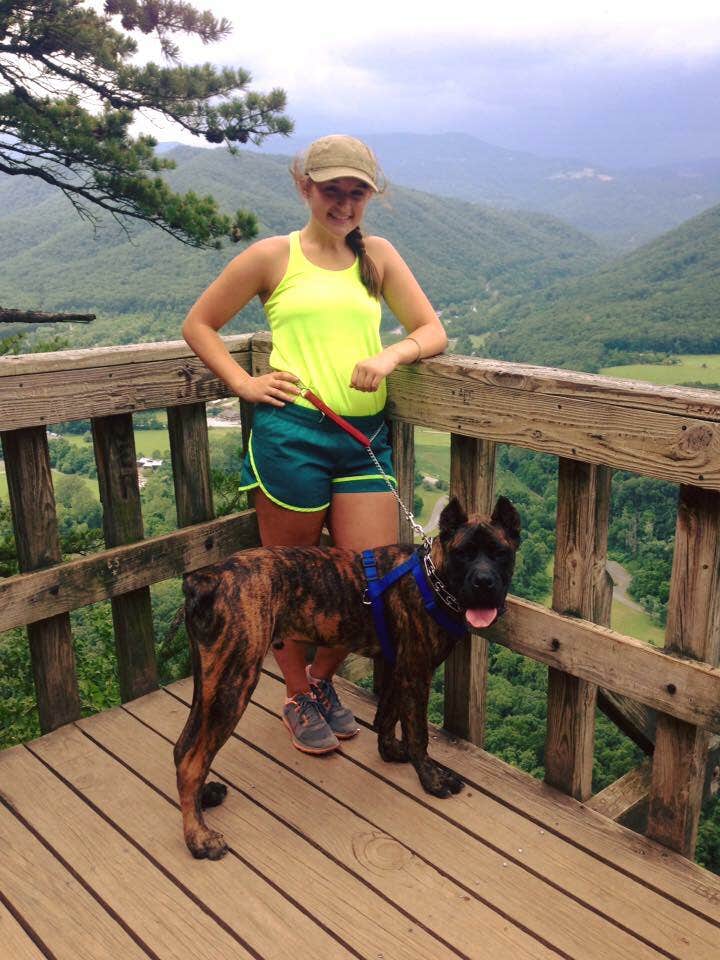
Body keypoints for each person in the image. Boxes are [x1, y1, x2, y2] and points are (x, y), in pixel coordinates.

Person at [182, 134, 448, 755]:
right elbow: (200, 324)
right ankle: (298, 694)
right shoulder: (273, 257)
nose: (345, 204)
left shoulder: (376, 256)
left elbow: (430, 329)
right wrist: (243, 382)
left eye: (356, 193)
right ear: (305, 187)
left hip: (363, 440)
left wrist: (391, 354)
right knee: (287, 584)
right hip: (291, 436)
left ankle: (323, 682)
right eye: (333, 190)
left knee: (369, 582)